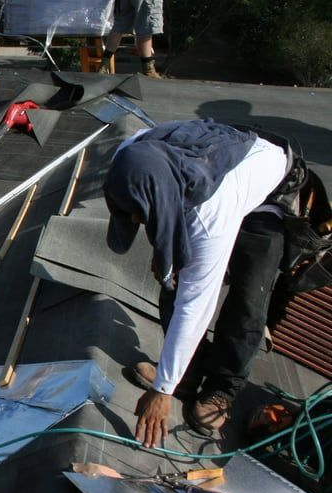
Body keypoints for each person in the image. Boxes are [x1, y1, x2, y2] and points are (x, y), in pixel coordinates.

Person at [103, 119, 302, 448]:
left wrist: (162, 391)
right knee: (173, 278)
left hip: (269, 193)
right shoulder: (130, 154)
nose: (137, 222)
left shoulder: (211, 215)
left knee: (248, 299)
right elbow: (155, 196)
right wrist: (163, 249)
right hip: (208, 170)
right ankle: (188, 370)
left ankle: (221, 390)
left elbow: (197, 304)